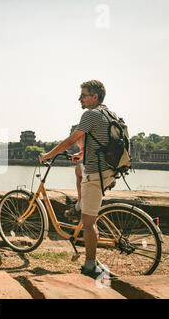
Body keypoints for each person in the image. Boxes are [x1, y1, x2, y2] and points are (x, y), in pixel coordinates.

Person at [39, 80, 116, 279]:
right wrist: (82, 155)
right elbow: (102, 143)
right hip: (109, 169)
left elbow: (71, 140)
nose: (79, 98)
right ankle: (81, 203)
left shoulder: (90, 114)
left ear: (95, 97)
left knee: (89, 223)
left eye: (83, 95)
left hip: (96, 173)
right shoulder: (109, 113)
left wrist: (48, 154)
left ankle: (90, 266)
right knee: (77, 170)